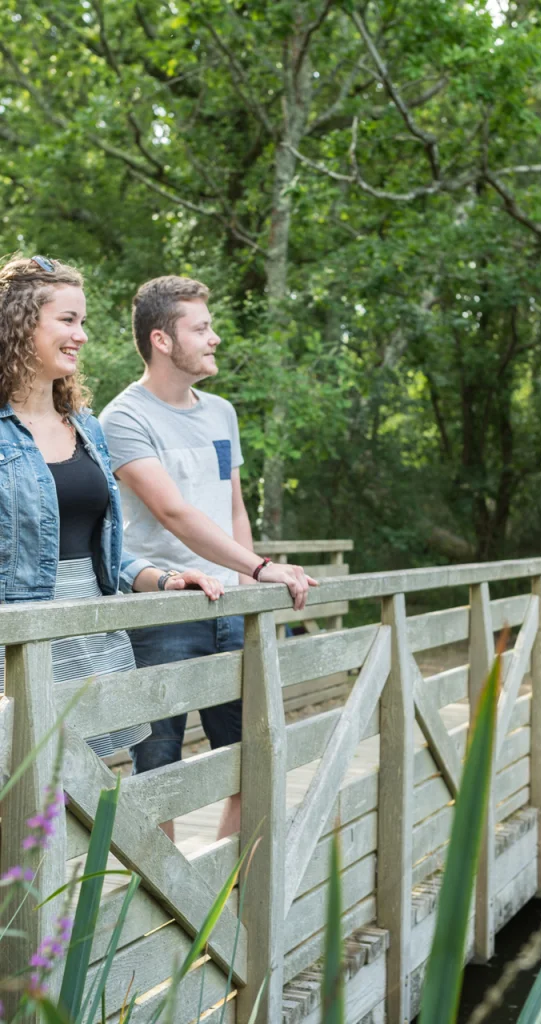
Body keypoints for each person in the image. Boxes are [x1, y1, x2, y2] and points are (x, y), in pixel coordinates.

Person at [99, 275, 317, 840]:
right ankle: (161, 910)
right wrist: (263, 569)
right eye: (201, 328)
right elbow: (174, 514)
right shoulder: (123, 418)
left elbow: (231, 507)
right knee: (159, 765)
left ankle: (220, 893)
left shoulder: (221, 412)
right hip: (163, 610)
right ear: (162, 340)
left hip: (231, 605)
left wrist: (248, 573)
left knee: (252, 753)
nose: (215, 338)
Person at [0, 256, 223, 759]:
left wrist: (160, 577)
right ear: (19, 323)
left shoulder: (85, 426)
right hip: (14, 646)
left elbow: (97, 545)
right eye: (67, 320)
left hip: (90, 638)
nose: (81, 335)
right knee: (18, 806)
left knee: (74, 803)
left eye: (83, 322)